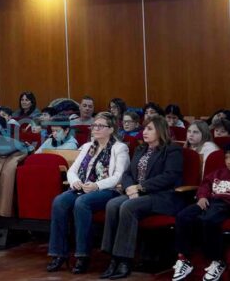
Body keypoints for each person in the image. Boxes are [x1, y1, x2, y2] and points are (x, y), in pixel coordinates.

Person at [100, 115, 184, 279]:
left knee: (128, 207)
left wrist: (140, 187)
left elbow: (169, 176)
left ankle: (124, 260)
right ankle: (112, 258)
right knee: (112, 204)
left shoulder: (172, 150)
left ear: (160, 131)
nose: (144, 132)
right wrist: (129, 188)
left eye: (149, 129)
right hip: (137, 193)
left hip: (162, 196)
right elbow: (127, 174)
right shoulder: (141, 149)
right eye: (144, 128)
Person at [47, 112, 129, 274]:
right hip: (84, 188)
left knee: (82, 202)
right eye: (94, 125)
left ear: (111, 129)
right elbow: (72, 171)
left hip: (108, 190)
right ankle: (59, 253)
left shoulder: (120, 148)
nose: (95, 128)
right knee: (59, 201)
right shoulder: (87, 147)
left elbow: (119, 176)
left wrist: (96, 186)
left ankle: (82, 255)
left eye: (101, 126)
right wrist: (75, 182)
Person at [171, 145, 230, 281]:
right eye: (227, 157)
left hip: (225, 204)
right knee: (183, 216)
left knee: (209, 219)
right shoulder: (218, 173)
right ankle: (184, 258)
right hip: (209, 201)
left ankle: (217, 260)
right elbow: (205, 185)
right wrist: (202, 197)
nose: (229, 161)